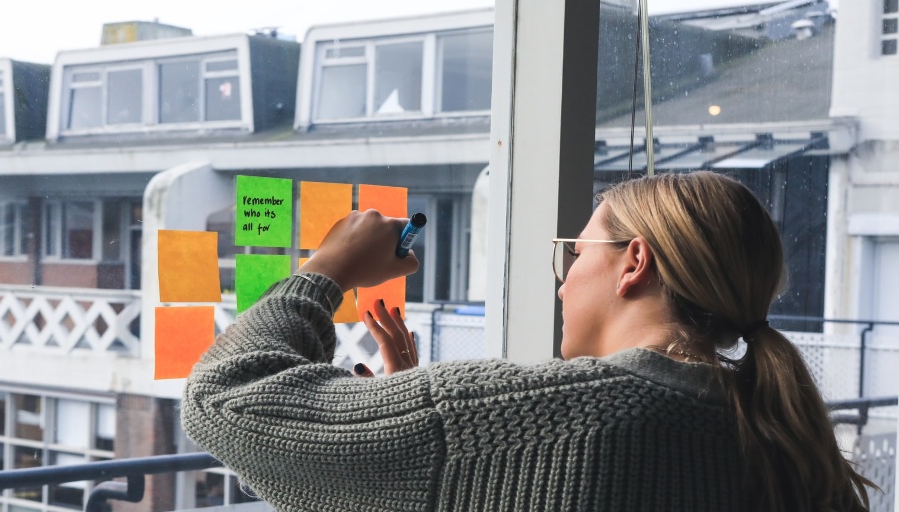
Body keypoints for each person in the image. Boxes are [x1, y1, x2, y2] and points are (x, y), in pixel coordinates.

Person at [182, 171, 876, 511]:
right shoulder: (773, 433)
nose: (564, 282)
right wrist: (402, 402)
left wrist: (325, 268)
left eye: (575, 253)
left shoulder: (530, 417)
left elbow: (225, 399)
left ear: (634, 263)